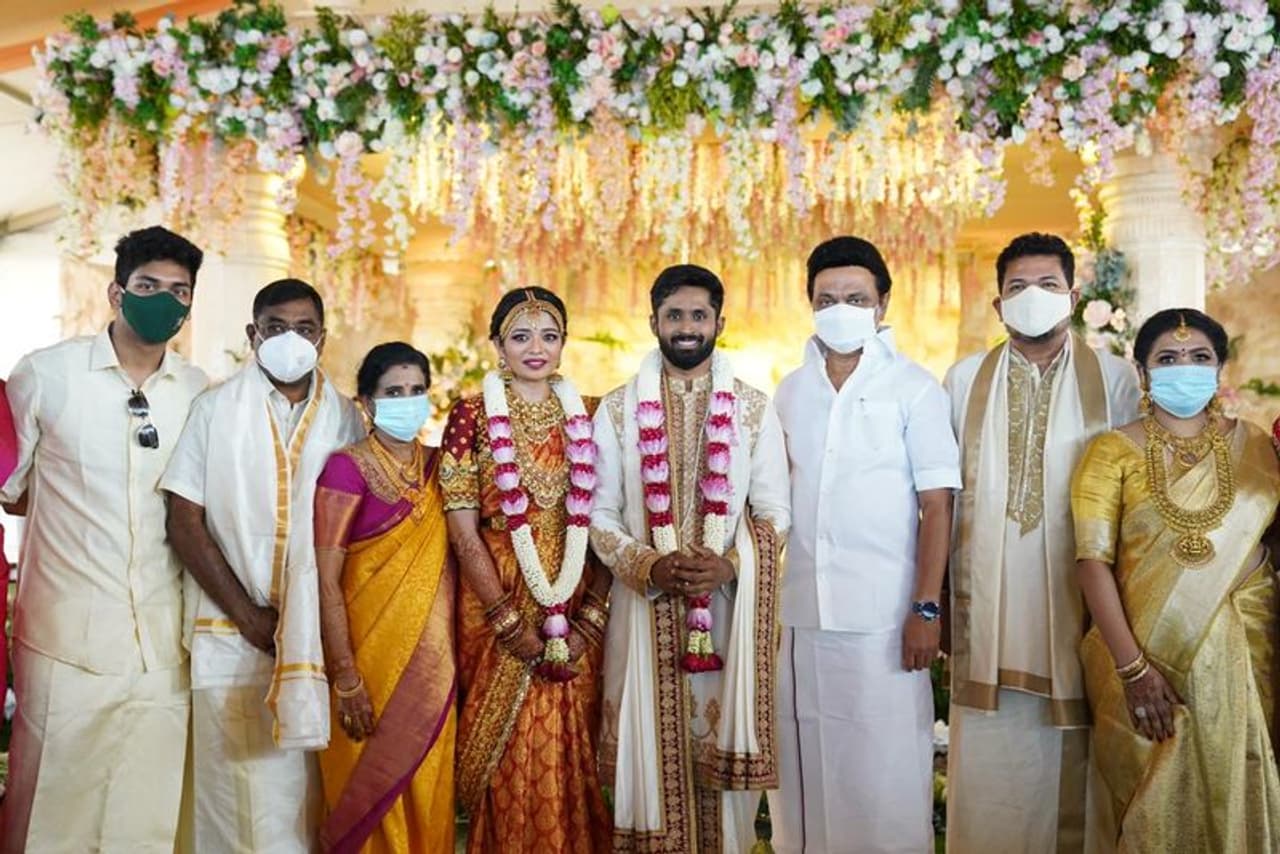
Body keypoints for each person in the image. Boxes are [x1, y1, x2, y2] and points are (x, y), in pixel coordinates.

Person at [0, 226, 208, 852]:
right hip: (65, 638)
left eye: (179, 291)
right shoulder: (46, 374)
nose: (164, 300)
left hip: (162, 644)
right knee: (52, 813)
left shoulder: (198, 391)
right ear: (117, 293)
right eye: (148, 286)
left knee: (145, 817)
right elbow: (12, 489)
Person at [943, 232, 1140, 853]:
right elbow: (939, 497)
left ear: (1073, 297)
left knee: (1071, 765)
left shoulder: (1115, 380)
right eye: (1019, 286)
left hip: (1075, 602)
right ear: (998, 304)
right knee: (989, 761)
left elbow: (1133, 497)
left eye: (1048, 285)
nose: (1033, 296)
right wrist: (936, 602)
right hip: (986, 608)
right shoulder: (963, 379)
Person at [590, 264, 791, 852]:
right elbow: (599, 513)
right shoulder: (617, 410)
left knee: (721, 793)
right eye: (674, 315)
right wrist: (647, 565)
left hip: (726, 614)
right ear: (653, 321)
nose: (686, 326)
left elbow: (776, 512)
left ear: (719, 323)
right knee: (647, 766)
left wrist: (731, 565)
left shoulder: (753, 409)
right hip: (641, 614)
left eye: (698, 315)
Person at [770, 237, 961, 854]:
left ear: (882, 304)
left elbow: (938, 505)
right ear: (810, 304)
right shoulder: (790, 391)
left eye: (855, 298)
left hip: (886, 621)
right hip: (801, 618)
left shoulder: (914, 388)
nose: (840, 310)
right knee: (806, 779)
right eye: (827, 299)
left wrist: (925, 608)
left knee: (883, 780)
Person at [161, 278, 364, 853]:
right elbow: (183, 521)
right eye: (276, 327)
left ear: (322, 338)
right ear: (253, 334)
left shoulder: (346, 419)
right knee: (228, 802)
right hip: (228, 637)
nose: (289, 339)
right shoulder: (214, 408)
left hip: (313, 643)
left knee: (303, 803)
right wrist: (249, 617)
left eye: (304, 328)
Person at [1073, 308, 1280, 851]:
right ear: (1143, 373)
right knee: (1156, 809)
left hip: (1249, 646)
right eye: (1168, 358)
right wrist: (1133, 668)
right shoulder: (1110, 451)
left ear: (1219, 369)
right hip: (1149, 655)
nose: (1184, 367)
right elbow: (1091, 562)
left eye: (1199, 357)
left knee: (1243, 783)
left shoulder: (1259, 447)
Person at [441, 288, 613, 852]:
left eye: (549, 336)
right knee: (507, 750)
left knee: (570, 742)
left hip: (575, 593)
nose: (536, 348)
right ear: (497, 345)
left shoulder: (592, 413)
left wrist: (592, 614)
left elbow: (612, 518)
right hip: (495, 596)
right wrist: (505, 618)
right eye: (520, 336)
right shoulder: (470, 415)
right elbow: (462, 528)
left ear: (564, 343)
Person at [314, 342, 456, 853]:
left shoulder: (443, 468)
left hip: (435, 674)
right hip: (366, 672)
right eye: (394, 392)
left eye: (417, 390)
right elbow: (325, 579)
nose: (407, 401)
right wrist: (345, 677)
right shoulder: (344, 469)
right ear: (366, 403)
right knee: (366, 802)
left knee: (429, 799)